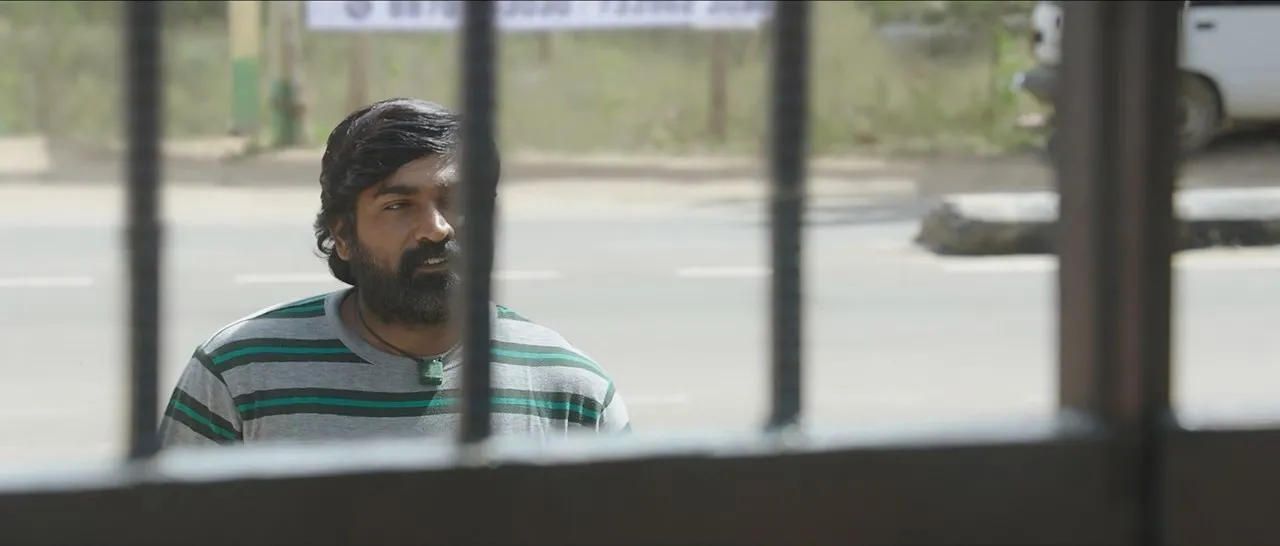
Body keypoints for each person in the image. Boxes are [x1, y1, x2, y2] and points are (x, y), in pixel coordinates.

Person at [158, 98, 630, 447]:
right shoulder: (241, 372)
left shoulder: (570, 389)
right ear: (343, 234)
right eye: (398, 205)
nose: (436, 229)